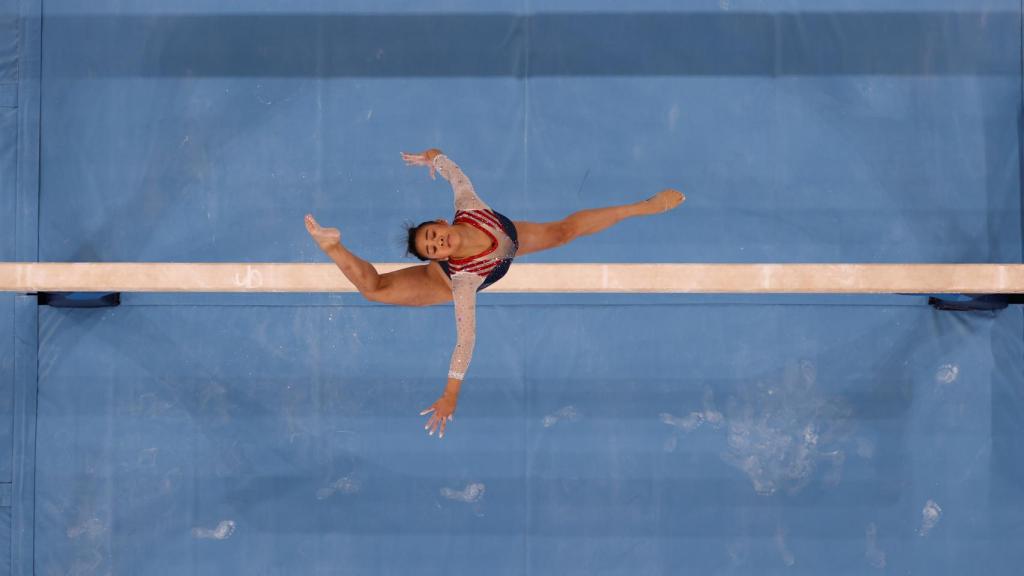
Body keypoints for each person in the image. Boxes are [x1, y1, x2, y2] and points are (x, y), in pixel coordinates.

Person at [305, 148, 684, 438]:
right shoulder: (464, 281)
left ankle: (640, 207)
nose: (438, 242)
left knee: (564, 232)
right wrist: (451, 394)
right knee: (374, 290)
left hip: (509, 238)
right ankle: (332, 247)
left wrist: (431, 156)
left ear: (441, 222)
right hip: (439, 282)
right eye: (434, 249)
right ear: (439, 256)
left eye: (434, 236)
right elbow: (465, 339)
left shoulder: (468, 205)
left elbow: (453, 170)